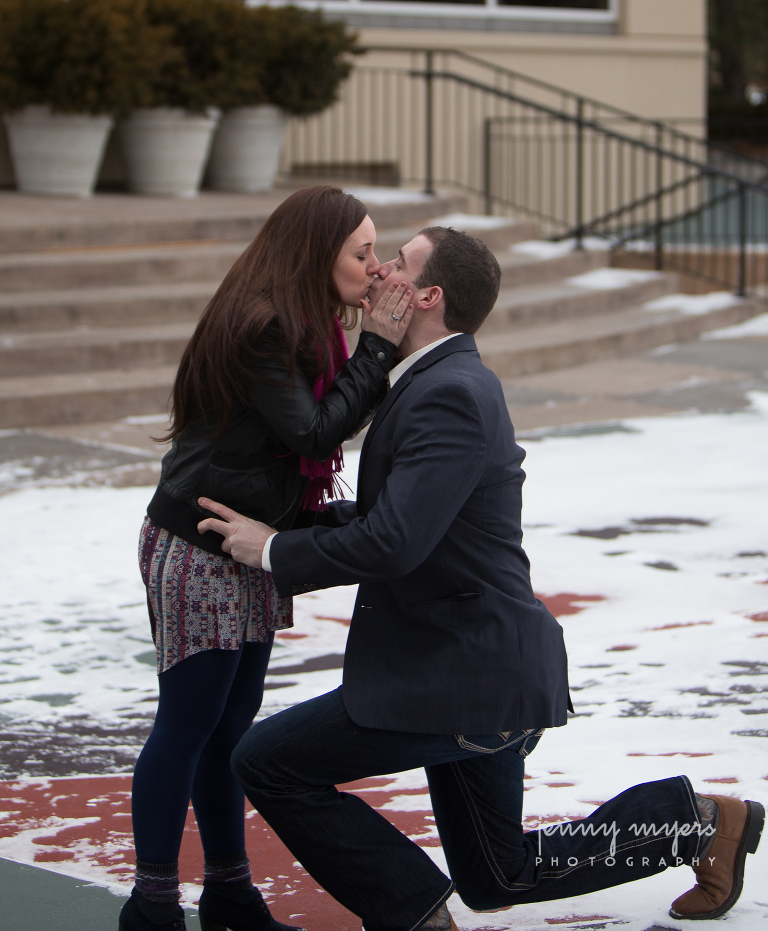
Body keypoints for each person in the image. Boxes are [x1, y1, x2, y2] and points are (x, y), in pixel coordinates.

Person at [197, 227, 764, 931]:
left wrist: (277, 552)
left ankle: (414, 915)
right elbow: (400, 518)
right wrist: (287, 519)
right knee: (500, 875)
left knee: (269, 762)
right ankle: (704, 823)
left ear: (428, 296)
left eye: (397, 263)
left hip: (464, 677)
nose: (378, 271)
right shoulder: (433, 383)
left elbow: (395, 540)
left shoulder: (452, 393)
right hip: (475, 666)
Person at [120, 185, 416, 931]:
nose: (375, 267)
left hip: (246, 545)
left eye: (376, 250)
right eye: (361, 252)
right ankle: (152, 904)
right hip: (200, 544)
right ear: (315, 254)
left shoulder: (305, 320)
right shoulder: (263, 324)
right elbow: (315, 433)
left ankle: (229, 893)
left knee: (230, 729)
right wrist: (379, 345)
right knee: (188, 726)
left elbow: (317, 426)